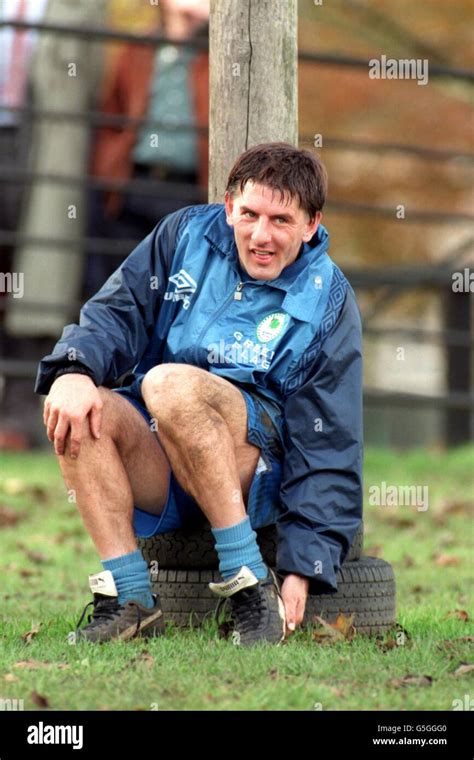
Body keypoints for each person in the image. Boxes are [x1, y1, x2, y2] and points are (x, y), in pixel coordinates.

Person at [36, 143, 363, 647]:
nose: (260, 235)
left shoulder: (329, 298)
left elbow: (331, 441)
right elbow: (116, 312)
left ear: (311, 224)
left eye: (281, 220)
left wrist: (305, 565)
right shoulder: (182, 234)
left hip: (253, 468)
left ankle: (249, 581)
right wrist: (74, 369)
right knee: (79, 409)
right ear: (229, 205)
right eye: (249, 214)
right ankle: (130, 599)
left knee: (169, 382)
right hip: (165, 450)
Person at [85, 0, 209, 296]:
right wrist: (109, 169)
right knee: (124, 290)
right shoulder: (139, 48)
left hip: (190, 192)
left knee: (180, 292)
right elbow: (111, 115)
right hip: (134, 187)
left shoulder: (221, 52)